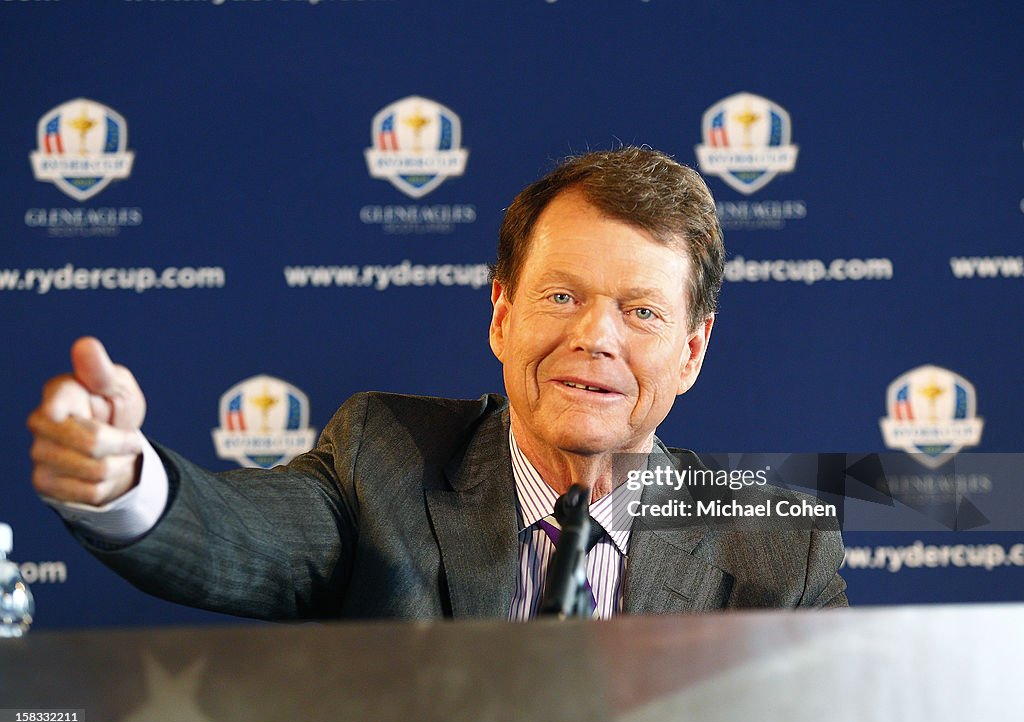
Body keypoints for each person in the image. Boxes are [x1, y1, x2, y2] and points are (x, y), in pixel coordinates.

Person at [27, 147, 847, 620]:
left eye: (640, 311)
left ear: (693, 352)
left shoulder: (779, 541)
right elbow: (245, 535)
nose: (594, 336)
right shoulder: (382, 457)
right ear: (502, 315)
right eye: (561, 297)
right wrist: (124, 481)